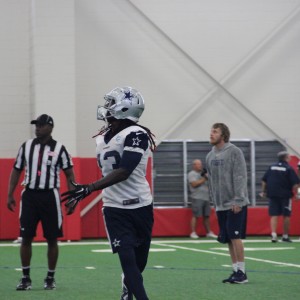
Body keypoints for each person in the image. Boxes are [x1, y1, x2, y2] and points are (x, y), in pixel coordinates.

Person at [61, 86, 156, 300]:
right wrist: (89, 188)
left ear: (125, 108)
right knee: (128, 261)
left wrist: (90, 188)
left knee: (139, 264)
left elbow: (124, 171)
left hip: (140, 205)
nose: (107, 108)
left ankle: (128, 284)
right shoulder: (103, 137)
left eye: (111, 104)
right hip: (114, 207)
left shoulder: (137, 134)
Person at [7, 114, 75, 291]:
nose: (37, 128)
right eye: (36, 125)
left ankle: (50, 277)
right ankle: (25, 277)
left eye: (41, 125)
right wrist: (10, 194)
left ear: (50, 127)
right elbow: (16, 170)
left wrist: (72, 199)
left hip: (50, 196)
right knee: (26, 237)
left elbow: (69, 174)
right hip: (29, 195)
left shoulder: (60, 148)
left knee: (52, 238)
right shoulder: (27, 146)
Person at [206, 123, 249, 284]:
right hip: (220, 205)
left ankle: (242, 273)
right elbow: (210, 180)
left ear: (223, 135)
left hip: (235, 203)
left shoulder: (234, 152)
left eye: (215, 131)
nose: (211, 134)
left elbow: (240, 176)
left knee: (235, 236)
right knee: (228, 238)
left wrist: (238, 199)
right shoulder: (209, 156)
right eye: (211, 131)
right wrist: (214, 201)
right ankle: (236, 270)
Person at [261, 151, 299, 243]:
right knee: (286, 215)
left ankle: (273, 235)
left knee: (274, 215)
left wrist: (263, 191)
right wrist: (297, 194)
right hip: (285, 195)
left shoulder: (271, 167)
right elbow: (295, 183)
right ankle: (285, 236)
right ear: (286, 158)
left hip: (272, 194)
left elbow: (264, 180)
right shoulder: (288, 168)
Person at [188, 159, 217, 239]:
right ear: (194, 165)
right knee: (196, 215)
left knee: (207, 216)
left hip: (206, 198)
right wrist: (205, 178)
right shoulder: (192, 174)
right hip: (197, 197)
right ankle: (193, 232)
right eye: (198, 164)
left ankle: (208, 232)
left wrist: (208, 177)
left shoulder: (203, 174)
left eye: (200, 164)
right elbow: (194, 184)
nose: (200, 166)